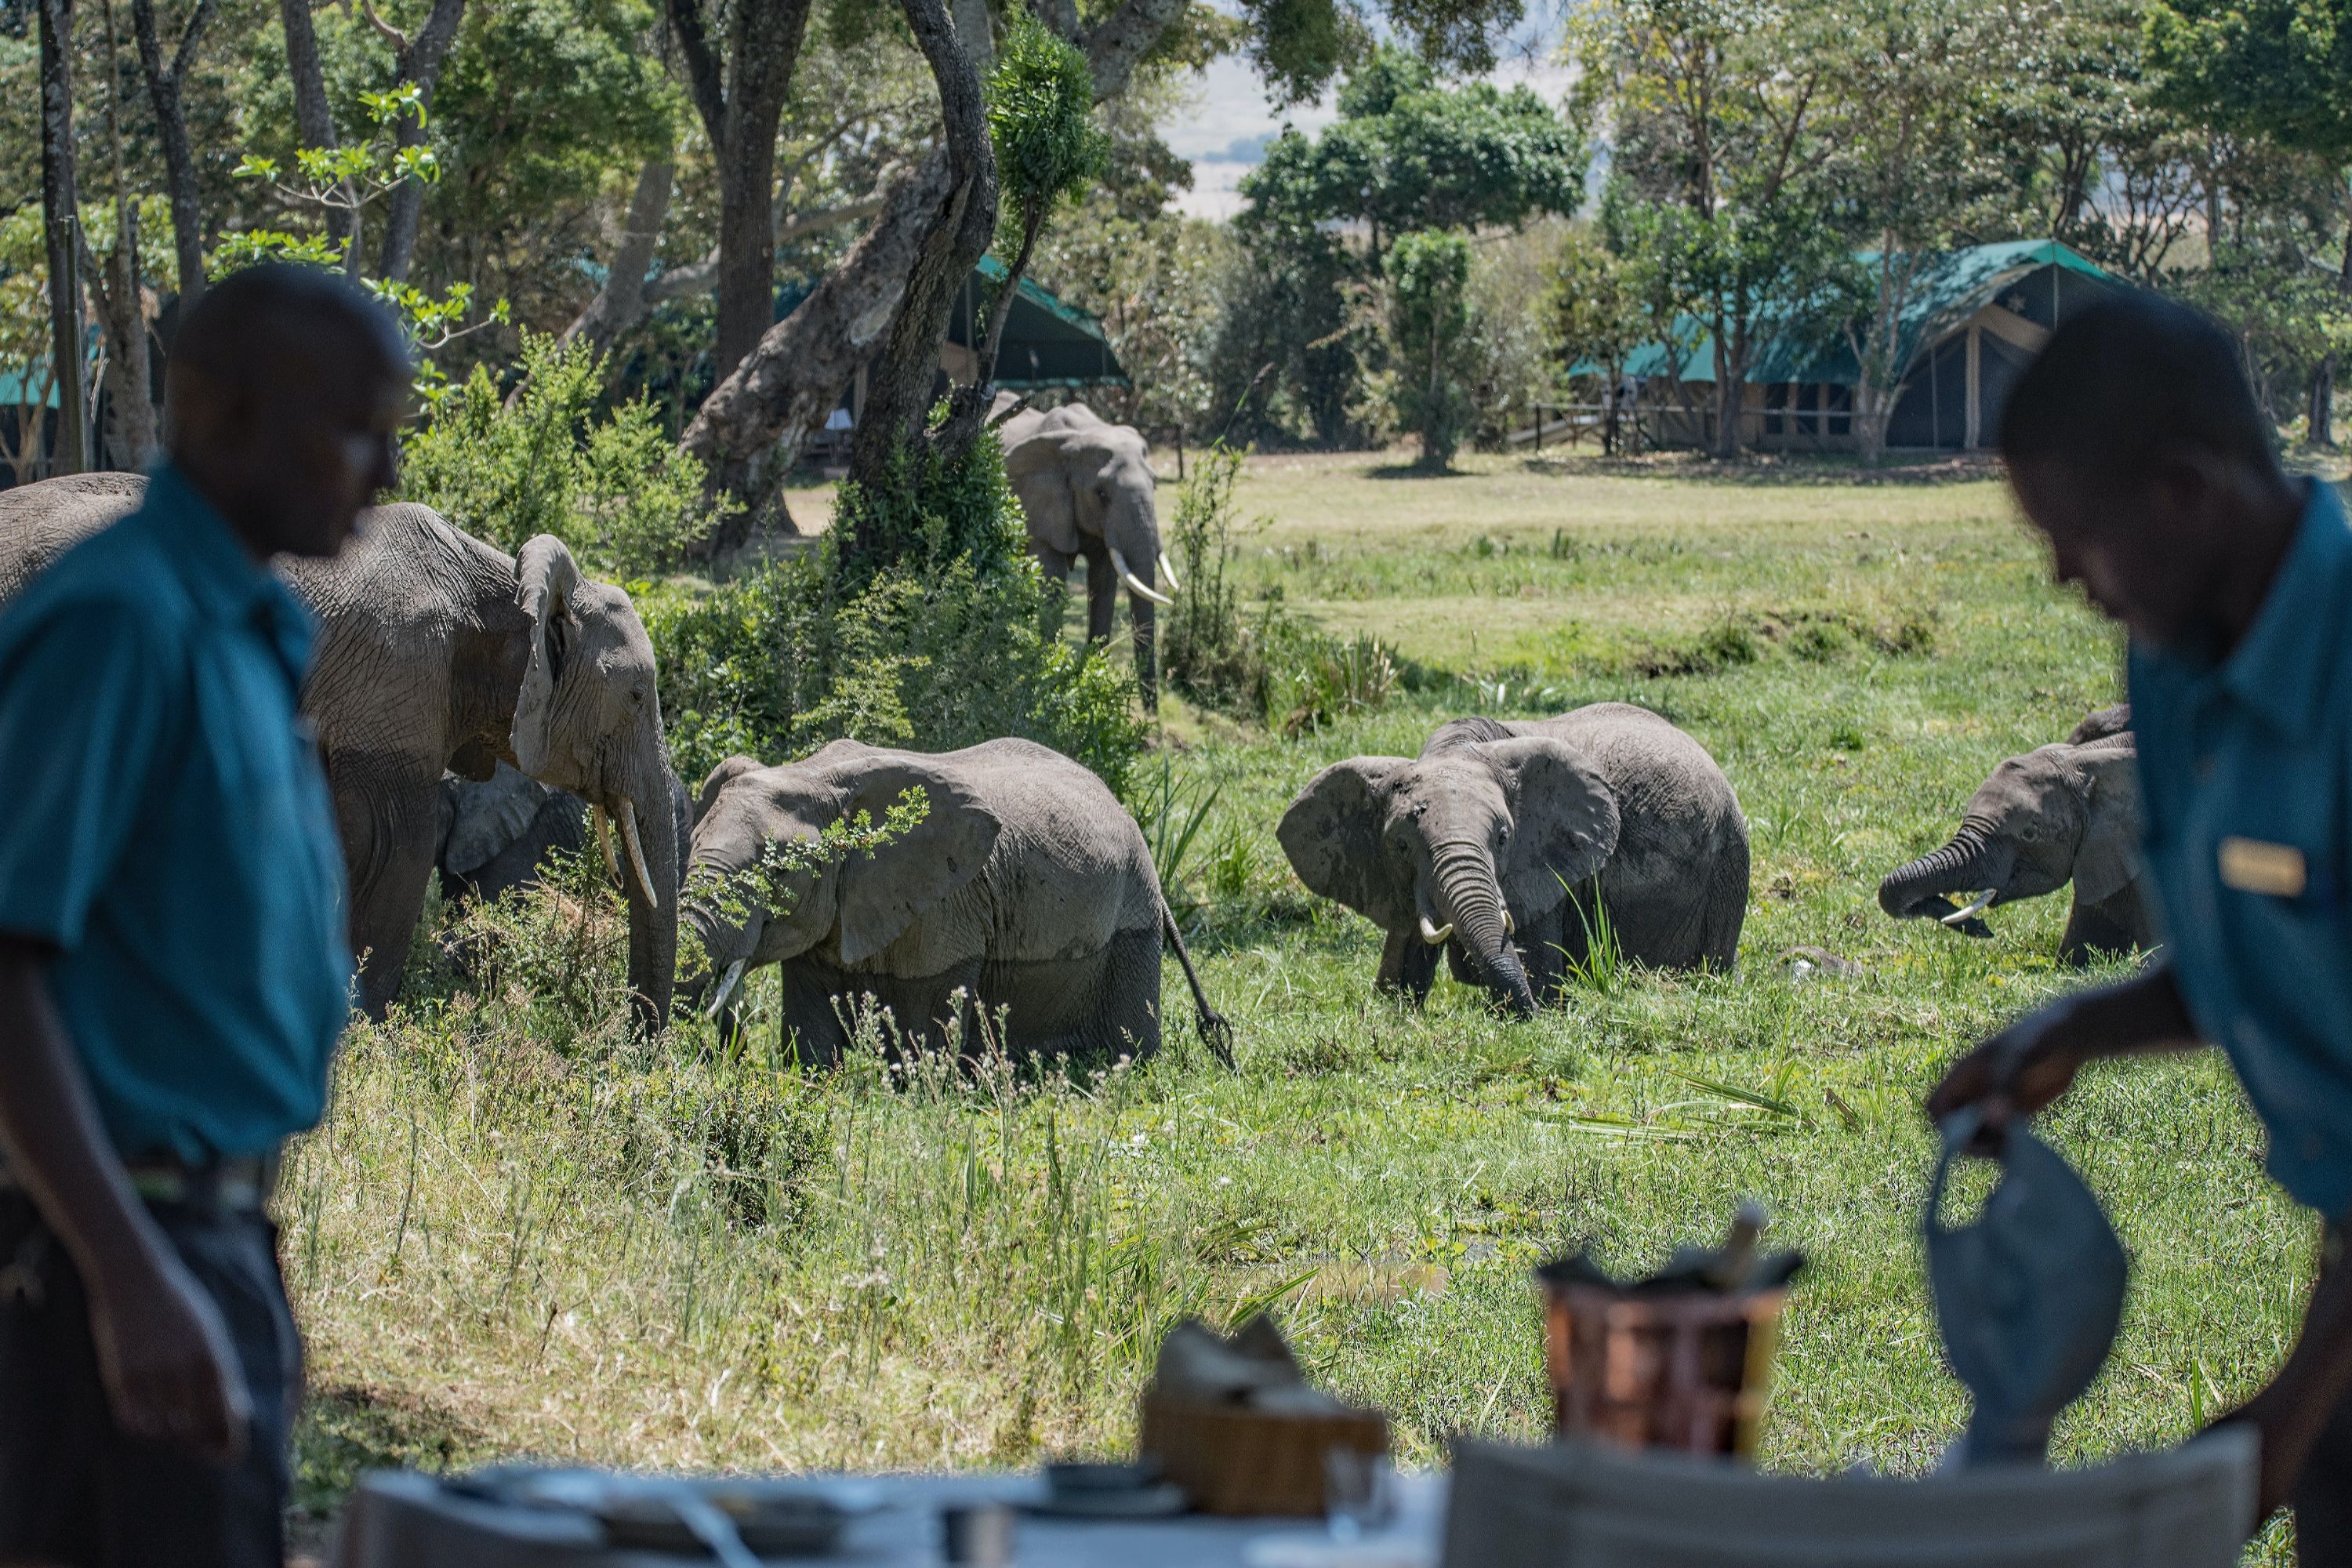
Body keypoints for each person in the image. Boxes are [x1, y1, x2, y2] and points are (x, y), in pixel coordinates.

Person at [1929, 292, 2352, 1553]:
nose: (2064, 575)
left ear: (2183, 490)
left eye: (2077, 538)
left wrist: (2291, 1407)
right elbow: (2270, 949)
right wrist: (2076, 1028)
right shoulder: (2174, 666)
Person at [0, 265, 408, 1566]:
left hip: (209, 1233)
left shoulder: (245, 627)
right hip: (104, 1245)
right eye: (353, 424)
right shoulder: (121, 620)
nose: (385, 466)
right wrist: (129, 1276)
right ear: (223, 417)